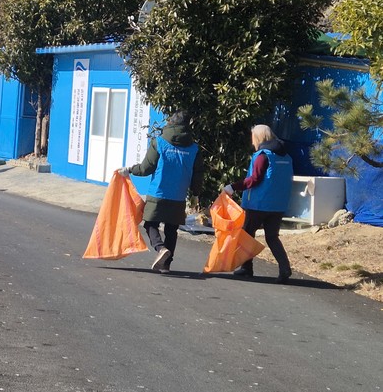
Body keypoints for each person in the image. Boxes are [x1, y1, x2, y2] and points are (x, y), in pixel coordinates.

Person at [118, 110, 203, 274]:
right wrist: (195, 193)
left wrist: (129, 169)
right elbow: (198, 173)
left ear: (171, 123)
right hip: (178, 196)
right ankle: (166, 265)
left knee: (150, 223)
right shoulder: (194, 149)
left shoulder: (160, 143)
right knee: (172, 229)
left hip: (158, 193)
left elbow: (145, 168)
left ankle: (160, 248)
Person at [223, 124, 294, 283]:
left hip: (258, 204)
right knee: (272, 237)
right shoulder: (286, 156)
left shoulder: (263, 156)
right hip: (278, 205)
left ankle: (247, 268)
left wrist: (233, 187)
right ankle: (284, 268)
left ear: (258, 137)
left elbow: (254, 179)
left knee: (246, 235)